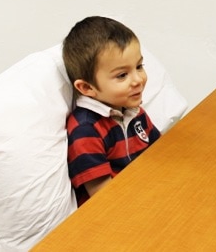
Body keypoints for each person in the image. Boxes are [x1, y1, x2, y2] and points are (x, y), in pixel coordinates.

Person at [63, 16, 161, 206]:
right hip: (120, 209)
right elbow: (103, 197)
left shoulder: (133, 111)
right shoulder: (85, 129)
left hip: (150, 192)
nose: (138, 80)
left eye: (139, 67)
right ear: (86, 88)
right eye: (122, 75)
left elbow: (161, 152)